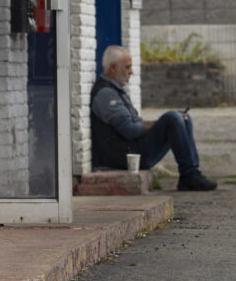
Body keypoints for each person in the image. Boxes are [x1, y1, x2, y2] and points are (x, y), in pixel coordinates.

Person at [90, 45, 217, 191]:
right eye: (127, 67)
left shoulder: (117, 90)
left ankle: (191, 173)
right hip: (123, 158)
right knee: (172, 118)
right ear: (112, 68)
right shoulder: (105, 94)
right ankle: (189, 176)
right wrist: (159, 124)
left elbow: (134, 124)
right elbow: (129, 130)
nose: (131, 72)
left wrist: (158, 124)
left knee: (182, 117)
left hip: (133, 150)